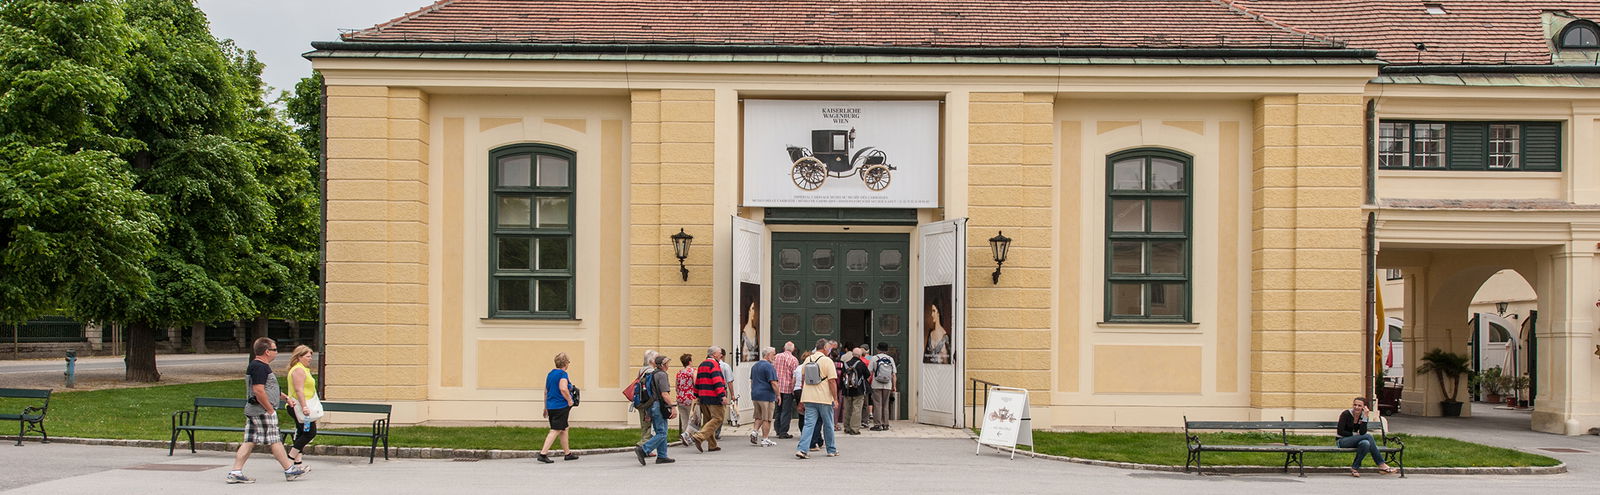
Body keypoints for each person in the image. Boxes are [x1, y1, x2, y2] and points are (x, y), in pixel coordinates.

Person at [226, 338, 308, 484]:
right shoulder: (260, 367)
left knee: (249, 441)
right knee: (275, 440)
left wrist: (285, 397)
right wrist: (270, 409)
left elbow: (269, 388)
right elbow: (258, 390)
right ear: (267, 352)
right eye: (275, 349)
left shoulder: (259, 366)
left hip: (255, 410)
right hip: (262, 410)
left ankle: (236, 472)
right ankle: (289, 470)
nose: (277, 352)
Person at [795, 339, 838, 459]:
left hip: (809, 396)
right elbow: (832, 381)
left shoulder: (808, 359)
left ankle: (802, 449)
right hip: (824, 397)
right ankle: (831, 449)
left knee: (808, 424)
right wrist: (835, 398)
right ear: (825, 348)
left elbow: (803, 375)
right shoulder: (827, 361)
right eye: (829, 348)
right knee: (828, 424)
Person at [1337, 397, 1398, 477]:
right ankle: (1381, 464)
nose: (1356, 407)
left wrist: (1365, 416)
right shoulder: (1346, 414)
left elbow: (1362, 432)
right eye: (1355, 405)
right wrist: (1355, 435)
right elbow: (1340, 431)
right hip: (1342, 441)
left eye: (1359, 405)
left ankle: (1354, 468)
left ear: (1364, 407)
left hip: (1356, 441)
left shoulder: (1363, 416)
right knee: (1368, 436)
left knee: (1365, 443)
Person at [684, 346, 729, 453]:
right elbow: (717, 381)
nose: (721, 355)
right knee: (718, 419)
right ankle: (699, 436)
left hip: (703, 397)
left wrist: (697, 395)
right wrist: (722, 395)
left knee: (708, 420)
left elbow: (698, 381)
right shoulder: (714, 364)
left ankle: (712, 445)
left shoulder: (702, 364)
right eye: (719, 353)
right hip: (713, 397)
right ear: (714, 355)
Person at [634, 355, 676, 465]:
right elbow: (664, 394)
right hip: (659, 405)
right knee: (662, 432)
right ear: (662, 365)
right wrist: (673, 407)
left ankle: (662, 456)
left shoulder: (652, 374)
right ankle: (644, 449)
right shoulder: (662, 375)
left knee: (661, 431)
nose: (668, 365)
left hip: (652, 405)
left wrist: (648, 412)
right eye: (667, 363)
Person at [284, 345, 320, 470]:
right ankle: (290, 458)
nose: (310, 359)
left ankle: (298, 463)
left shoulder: (302, 369)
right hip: (299, 407)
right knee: (310, 433)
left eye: (311, 356)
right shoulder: (298, 370)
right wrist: (305, 407)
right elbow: (299, 390)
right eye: (308, 356)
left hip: (300, 406)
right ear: (299, 357)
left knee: (301, 433)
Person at [538, 352, 578, 464]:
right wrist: (570, 400)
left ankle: (567, 453)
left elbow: (546, 392)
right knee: (555, 429)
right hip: (560, 406)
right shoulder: (562, 374)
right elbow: (563, 388)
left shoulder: (550, 374)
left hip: (551, 406)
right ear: (565, 363)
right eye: (568, 362)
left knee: (564, 428)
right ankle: (543, 454)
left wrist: (545, 407)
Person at [748, 347, 779, 447]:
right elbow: (773, 383)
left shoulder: (755, 366)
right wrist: (778, 395)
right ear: (768, 355)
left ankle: (754, 432)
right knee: (767, 418)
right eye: (773, 354)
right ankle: (765, 438)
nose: (774, 357)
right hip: (766, 395)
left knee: (759, 416)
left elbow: (752, 381)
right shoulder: (769, 367)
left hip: (756, 394)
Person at [772, 341, 799, 439]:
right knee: (786, 411)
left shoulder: (777, 357)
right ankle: (783, 432)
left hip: (777, 387)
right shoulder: (794, 360)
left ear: (784, 347)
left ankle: (778, 430)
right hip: (787, 388)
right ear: (793, 349)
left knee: (778, 410)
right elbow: (794, 376)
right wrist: (793, 389)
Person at [840, 347, 870, 435]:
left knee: (847, 409)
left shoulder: (845, 364)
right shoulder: (861, 364)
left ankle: (847, 427)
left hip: (847, 390)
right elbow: (867, 375)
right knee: (856, 409)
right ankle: (854, 429)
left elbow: (842, 376)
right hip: (858, 390)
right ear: (860, 355)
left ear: (852, 354)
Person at [869, 342, 897, 431]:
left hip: (876, 384)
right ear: (886, 350)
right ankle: (886, 424)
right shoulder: (890, 359)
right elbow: (894, 374)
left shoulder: (874, 358)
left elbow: (870, 372)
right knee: (885, 405)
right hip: (888, 384)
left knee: (877, 404)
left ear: (878, 349)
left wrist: (868, 382)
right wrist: (894, 386)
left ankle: (877, 424)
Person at [635, 350, 659, 451]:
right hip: (648, 402)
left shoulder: (642, 370)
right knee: (650, 426)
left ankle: (643, 444)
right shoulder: (650, 372)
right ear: (651, 360)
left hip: (640, 401)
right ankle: (643, 446)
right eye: (656, 358)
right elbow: (652, 389)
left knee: (644, 425)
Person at [674, 353, 699, 436]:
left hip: (681, 398)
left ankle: (684, 435)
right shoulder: (693, 371)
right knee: (693, 418)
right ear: (690, 362)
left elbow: (676, 386)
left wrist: (680, 394)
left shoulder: (679, 373)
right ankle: (692, 436)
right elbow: (696, 384)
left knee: (684, 419)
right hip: (691, 398)